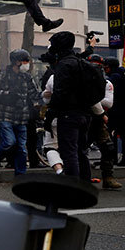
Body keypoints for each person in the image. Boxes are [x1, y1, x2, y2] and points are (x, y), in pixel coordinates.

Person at [42, 31, 93, 179]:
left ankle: (73, 187)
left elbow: (60, 94)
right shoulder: (80, 62)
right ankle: (85, 184)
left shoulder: (64, 65)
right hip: (84, 114)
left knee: (69, 152)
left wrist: (50, 116)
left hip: (68, 115)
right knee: (80, 152)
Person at [0, 49, 42, 177]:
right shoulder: (4, 74)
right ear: (17, 62)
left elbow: (34, 93)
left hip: (22, 117)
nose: (27, 64)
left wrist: (44, 96)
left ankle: (20, 176)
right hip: (5, 115)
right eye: (25, 61)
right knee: (9, 142)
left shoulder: (27, 77)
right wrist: (8, 94)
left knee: (22, 148)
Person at [86, 54, 122, 189]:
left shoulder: (106, 83)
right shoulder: (81, 80)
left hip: (99, 120)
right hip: (83, 119)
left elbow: (109, 103)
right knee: (79, 149)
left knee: (108, 148)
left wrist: (92, 98)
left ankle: (108, 177)